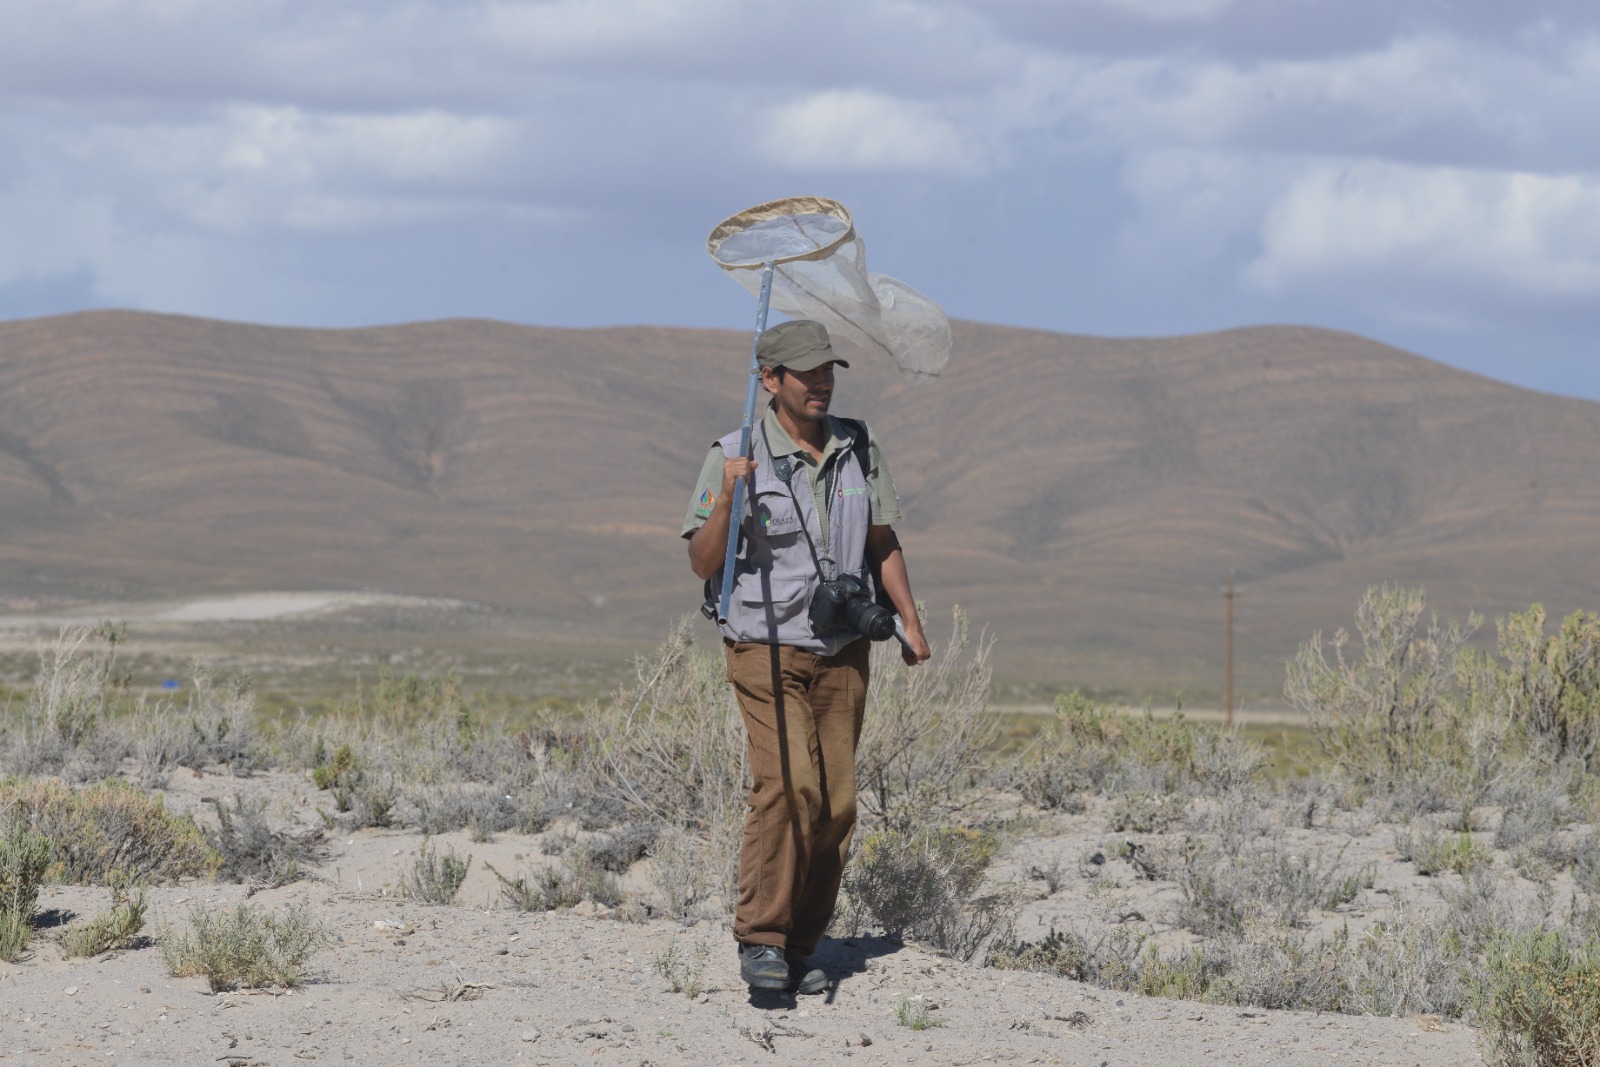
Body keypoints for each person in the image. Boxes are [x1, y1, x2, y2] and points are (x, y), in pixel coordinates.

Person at [682, 318, 932, 995]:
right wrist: (730, 495)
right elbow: (701, 560)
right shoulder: (732, 451)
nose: (822, 383)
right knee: (789, 785)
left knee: (838, 803)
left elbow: (881, 539)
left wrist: (909, 617)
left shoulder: (857, 445)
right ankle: (760, 937)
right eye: (807, 373)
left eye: (829, 372)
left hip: (842, 648)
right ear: (771, 379)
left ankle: (801, 941)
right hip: (763, 643)